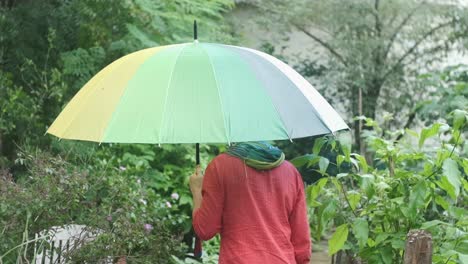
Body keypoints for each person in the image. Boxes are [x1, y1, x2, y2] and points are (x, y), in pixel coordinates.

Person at [189, 142, 311, 264]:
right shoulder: (290, 171)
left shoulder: (220, 166)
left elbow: (205, 229)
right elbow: (301, 242)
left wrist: (196, 191)